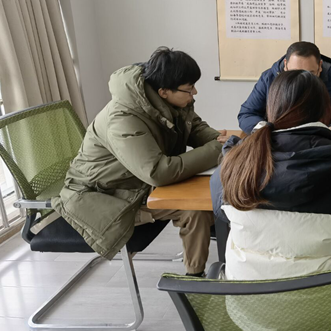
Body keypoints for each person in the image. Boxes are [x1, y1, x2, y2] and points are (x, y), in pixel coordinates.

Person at [53, 47, 226, 276]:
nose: (194, 92)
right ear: (164, 92)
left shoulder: (165, 99)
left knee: (205, 203)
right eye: (189, 88)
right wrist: (216, 149)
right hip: (105, 195)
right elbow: (158, 172)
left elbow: (192, 125)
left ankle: (198, 273)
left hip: (136, 183)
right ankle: (195, 279)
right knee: (195, 208)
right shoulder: (122, 119)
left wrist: (218, 140)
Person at [213, 70, 331, 281]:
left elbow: (221, 212)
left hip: (247, 297)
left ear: (271, 107)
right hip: (330, 296)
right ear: (325, 108)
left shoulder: (235, 162)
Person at [238, 41, 331, 139]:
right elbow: (247, 114)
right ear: (285, 65)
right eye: (294, 73)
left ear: (320, 66)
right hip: (280, 140)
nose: (301, 80)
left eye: (310, 74)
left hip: (319, 139)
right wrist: (265, 131)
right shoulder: (269, 78)